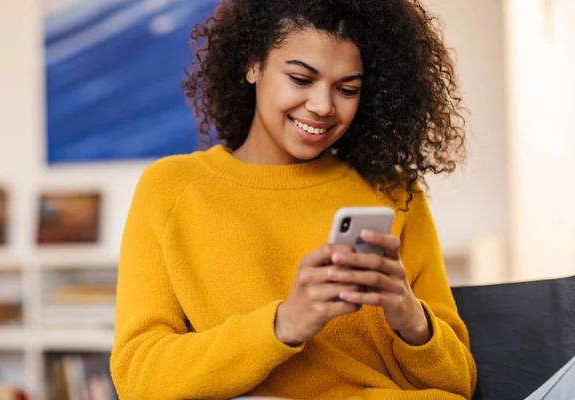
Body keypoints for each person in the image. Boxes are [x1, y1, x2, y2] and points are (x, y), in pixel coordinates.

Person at [110, 0, 477, 399]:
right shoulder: (173, 189)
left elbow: (458, 383)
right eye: (301, 79)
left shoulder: (394, 192)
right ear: (254, 65)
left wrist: (412, 320)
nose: (323, 106)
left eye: (347, 89)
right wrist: (283, 325)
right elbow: (138, 375)